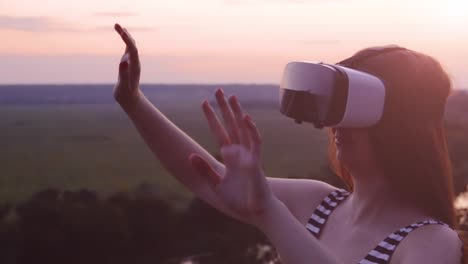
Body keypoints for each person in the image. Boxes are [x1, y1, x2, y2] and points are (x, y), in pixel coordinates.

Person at [112, 23, 465, 263]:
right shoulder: (319, 203)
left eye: (351, 109)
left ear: (400, 126)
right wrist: (133, 102)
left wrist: (271, 213)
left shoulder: (430, 243)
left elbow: (262, 206)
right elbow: (207, 178)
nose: (335, 124)